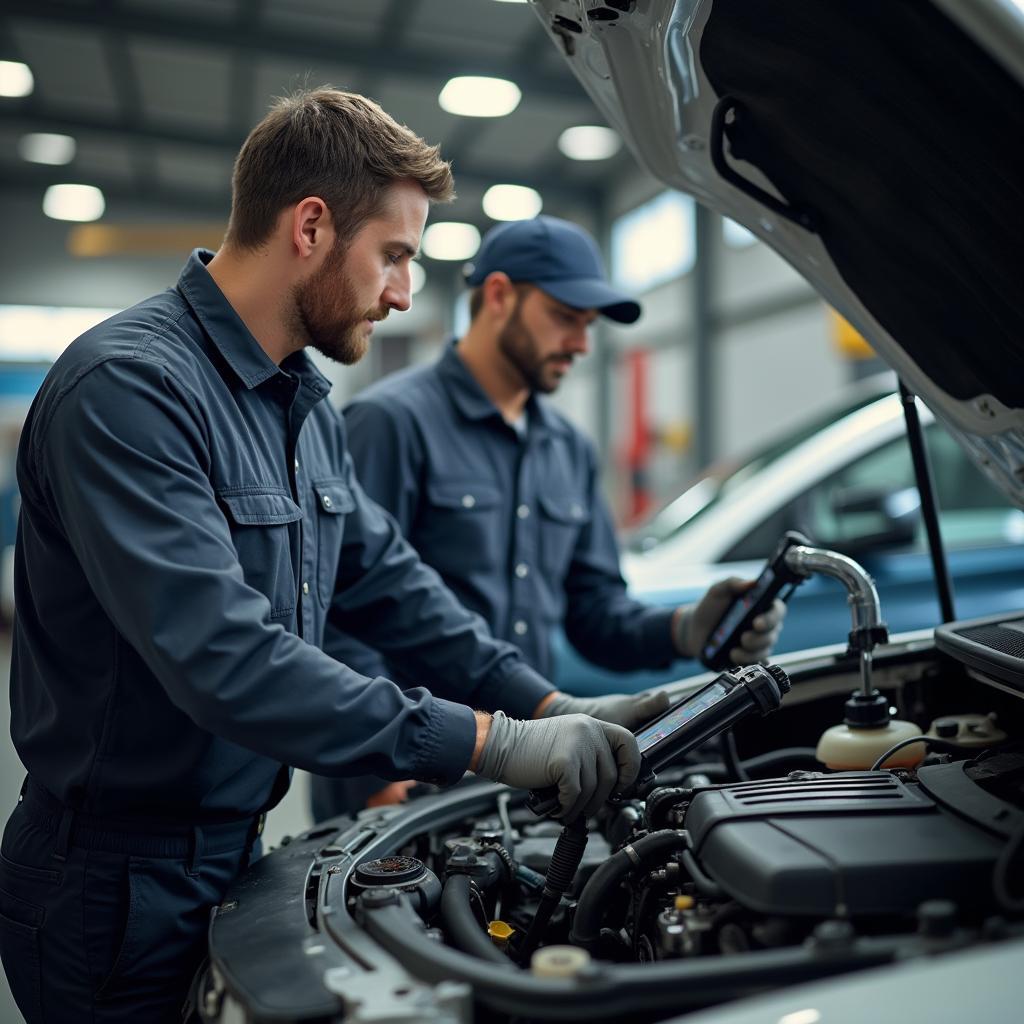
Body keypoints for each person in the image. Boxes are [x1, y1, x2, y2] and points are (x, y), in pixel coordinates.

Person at [0, 91, 659, 1024]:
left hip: (234, 853)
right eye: (393, 256)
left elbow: (395, 589)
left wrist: (555, 706)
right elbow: (227, 661)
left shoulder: (303, 409)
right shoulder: (130, 391)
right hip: (110, 886)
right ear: (310, 225)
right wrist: (491, 742)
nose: (401, 293)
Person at [311, 215, 786, 820]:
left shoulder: (569, 449)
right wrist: (374, 766)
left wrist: (686, 629)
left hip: (533, 764)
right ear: (502, 296)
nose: (583, 344)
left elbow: (595, 616)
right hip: (408, 774)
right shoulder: (390, 423)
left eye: (588, 326)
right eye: (566, 318)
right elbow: (341, 608)